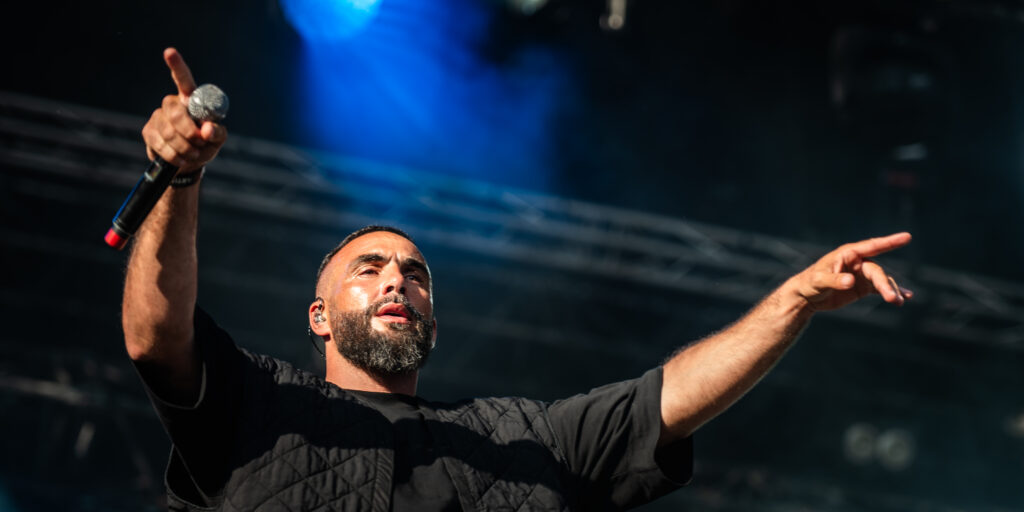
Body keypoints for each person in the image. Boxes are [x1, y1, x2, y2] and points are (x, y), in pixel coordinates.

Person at [123, 48, 913, 511]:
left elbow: (667, 401)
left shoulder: (520, 438)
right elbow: (157, 333)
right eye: (369, 269)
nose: (399, 279)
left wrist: (796, 299)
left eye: (416, 273)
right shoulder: (260, 407)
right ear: (320, 317)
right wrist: (177, 180)